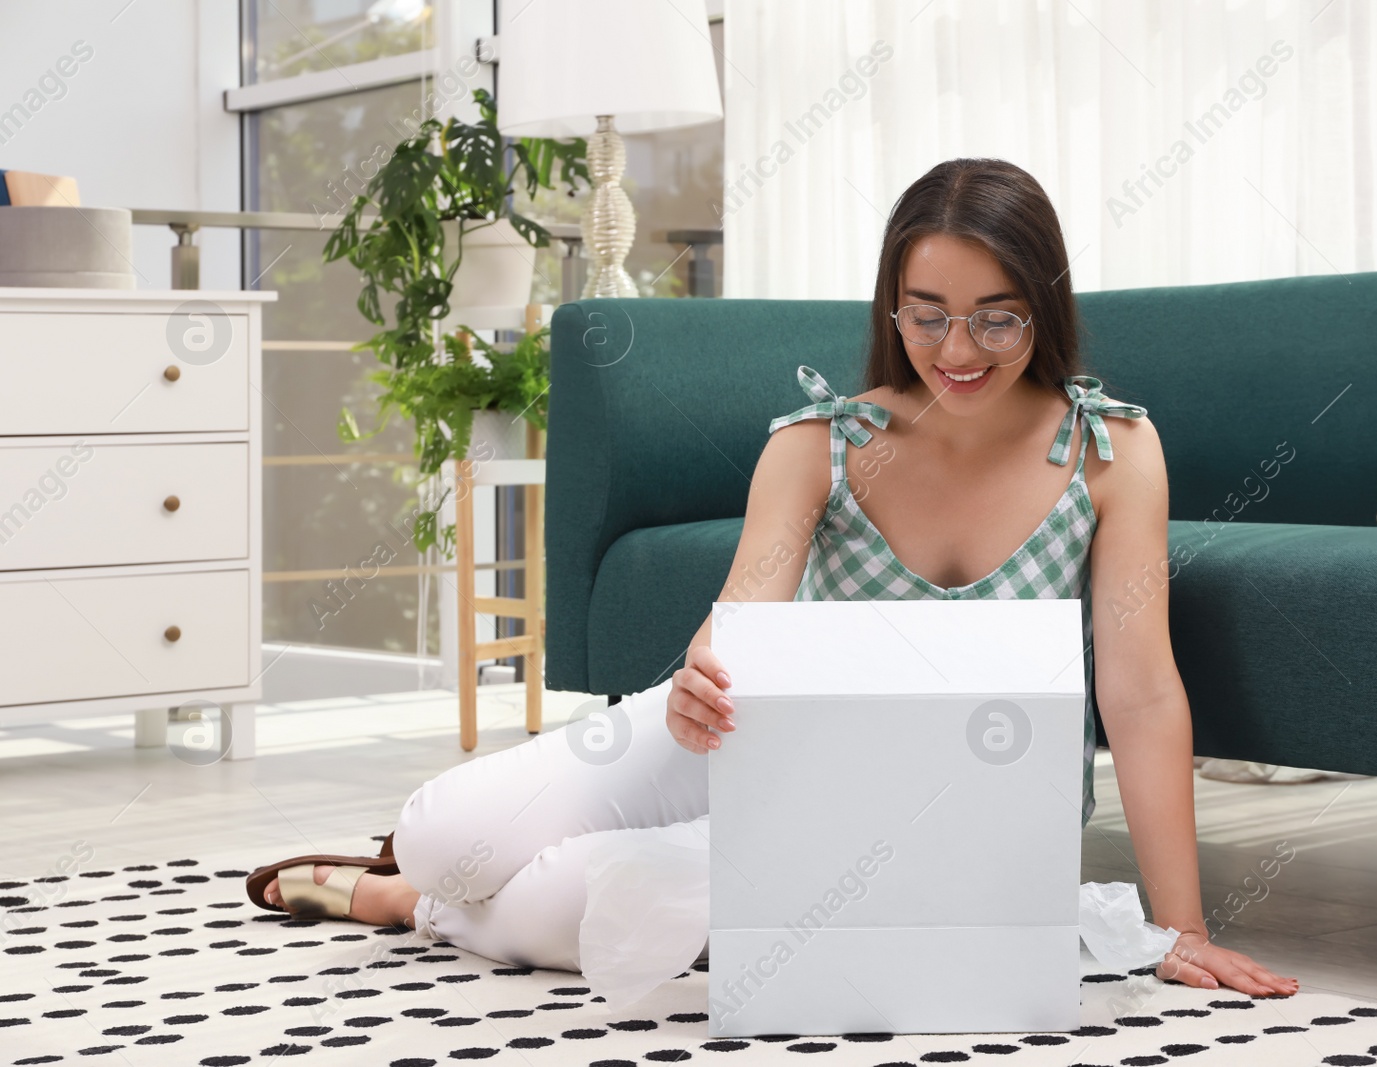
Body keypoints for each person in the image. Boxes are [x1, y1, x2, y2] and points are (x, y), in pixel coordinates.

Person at [248, 157, 1299, 1000]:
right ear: (890, 303)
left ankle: (405, 905)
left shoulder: (1110, 449)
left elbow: (1142, 689)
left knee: (583, 901)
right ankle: (423, 867)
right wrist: (705, 665)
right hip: (750, 741)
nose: (958, 347)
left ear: (1045, 305)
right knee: (442, 831)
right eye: (925, 312)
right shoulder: (818, 442)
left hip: (932, 819)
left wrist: (1183, 927)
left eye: (997, 315)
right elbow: (741, 621)